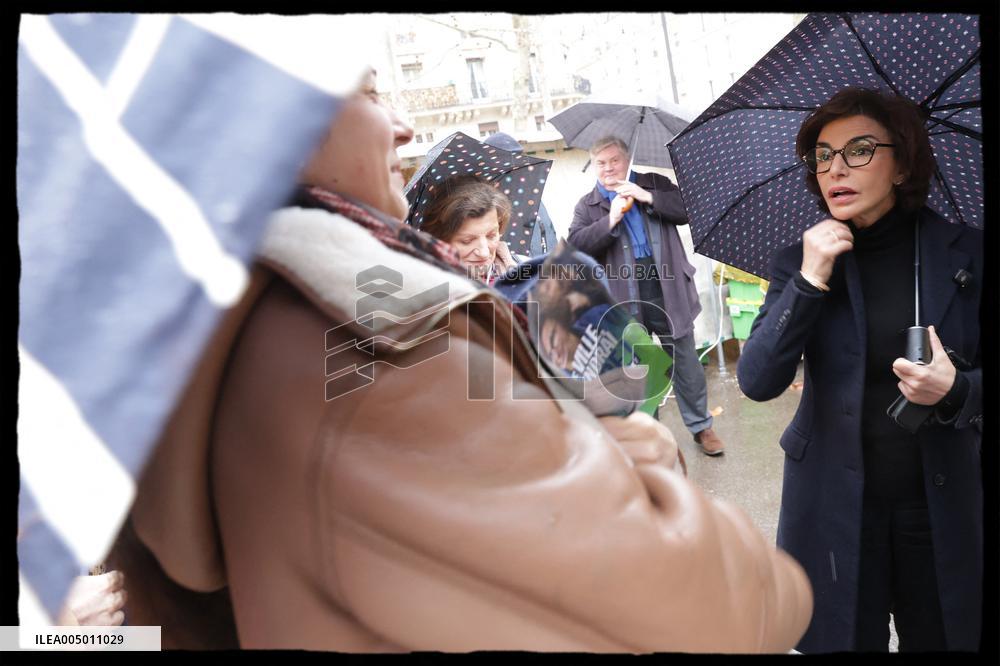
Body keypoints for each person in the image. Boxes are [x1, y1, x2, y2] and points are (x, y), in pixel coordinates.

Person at [108, 67, 813, 652]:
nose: (403, 126)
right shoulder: (387, 333)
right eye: (369, 95)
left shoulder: (240, 320)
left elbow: (629, 379)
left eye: (492, 234)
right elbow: (726, 604)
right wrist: (622, 436)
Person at [736, 87, 983, 653]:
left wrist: (957, 389)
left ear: (903, 164)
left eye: (860, 150)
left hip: (941, 503)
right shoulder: (799, 259)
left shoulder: (966, 253)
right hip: (835, 507)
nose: (835, 169)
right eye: (822, 156)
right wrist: (810, 277)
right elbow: (757, 379)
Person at [567, 136, 725, 456]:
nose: (609, 168)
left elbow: (686, 210)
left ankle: (700, 426)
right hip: (623, 291)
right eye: (601, 163)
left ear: (627, 161)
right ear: (594, 166)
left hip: (667, 285)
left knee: (684, 359)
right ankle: (648, 430)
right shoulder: (588, 204)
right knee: (635, 365)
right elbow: (576, 247)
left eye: (614, 160)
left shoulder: (654, 183)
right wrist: (610, 218)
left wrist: (646, 196)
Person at [418, 174, 519, 284]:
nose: (484, 253)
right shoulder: (422, 291)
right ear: (438, 240)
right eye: (467, 241)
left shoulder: (525, 272)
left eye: (491, 236)